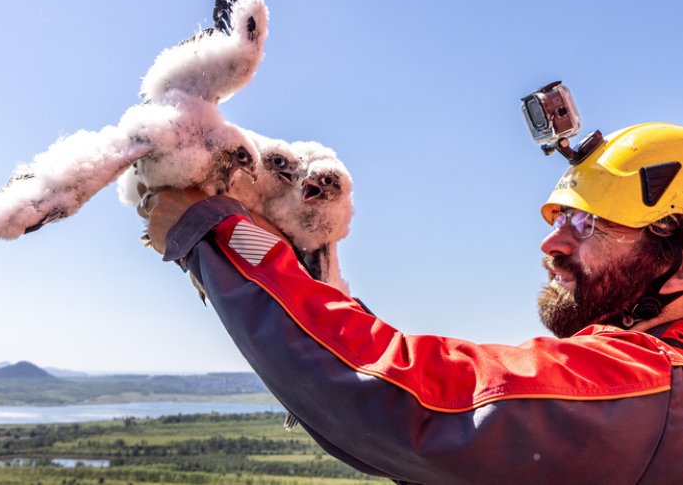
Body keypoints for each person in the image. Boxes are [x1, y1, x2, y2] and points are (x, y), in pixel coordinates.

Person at [141, 122, 683, 484]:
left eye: (588, 224)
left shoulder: (654, 388)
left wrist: (213, 233)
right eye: (562, 219)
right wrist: (304, 278)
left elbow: (418, 400)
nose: (551, 242)